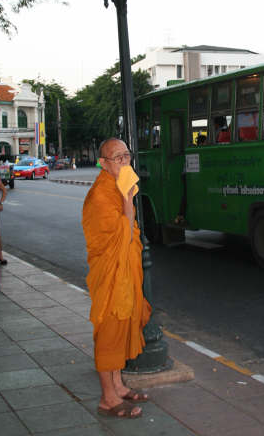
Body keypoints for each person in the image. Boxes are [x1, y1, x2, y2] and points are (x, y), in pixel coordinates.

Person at [82, 138, 151, 420]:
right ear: (103, 163)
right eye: (117, 158)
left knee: (123, 327)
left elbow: (130, 233)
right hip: (111, 277)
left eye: (126, 155)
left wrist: (126, 194)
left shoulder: (117, 185)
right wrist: (127, 198)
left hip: (124, 272)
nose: (124, 162)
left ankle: (118, 385)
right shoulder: (101, 194)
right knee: (110, 331)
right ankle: (108, 398)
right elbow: (120, 235)